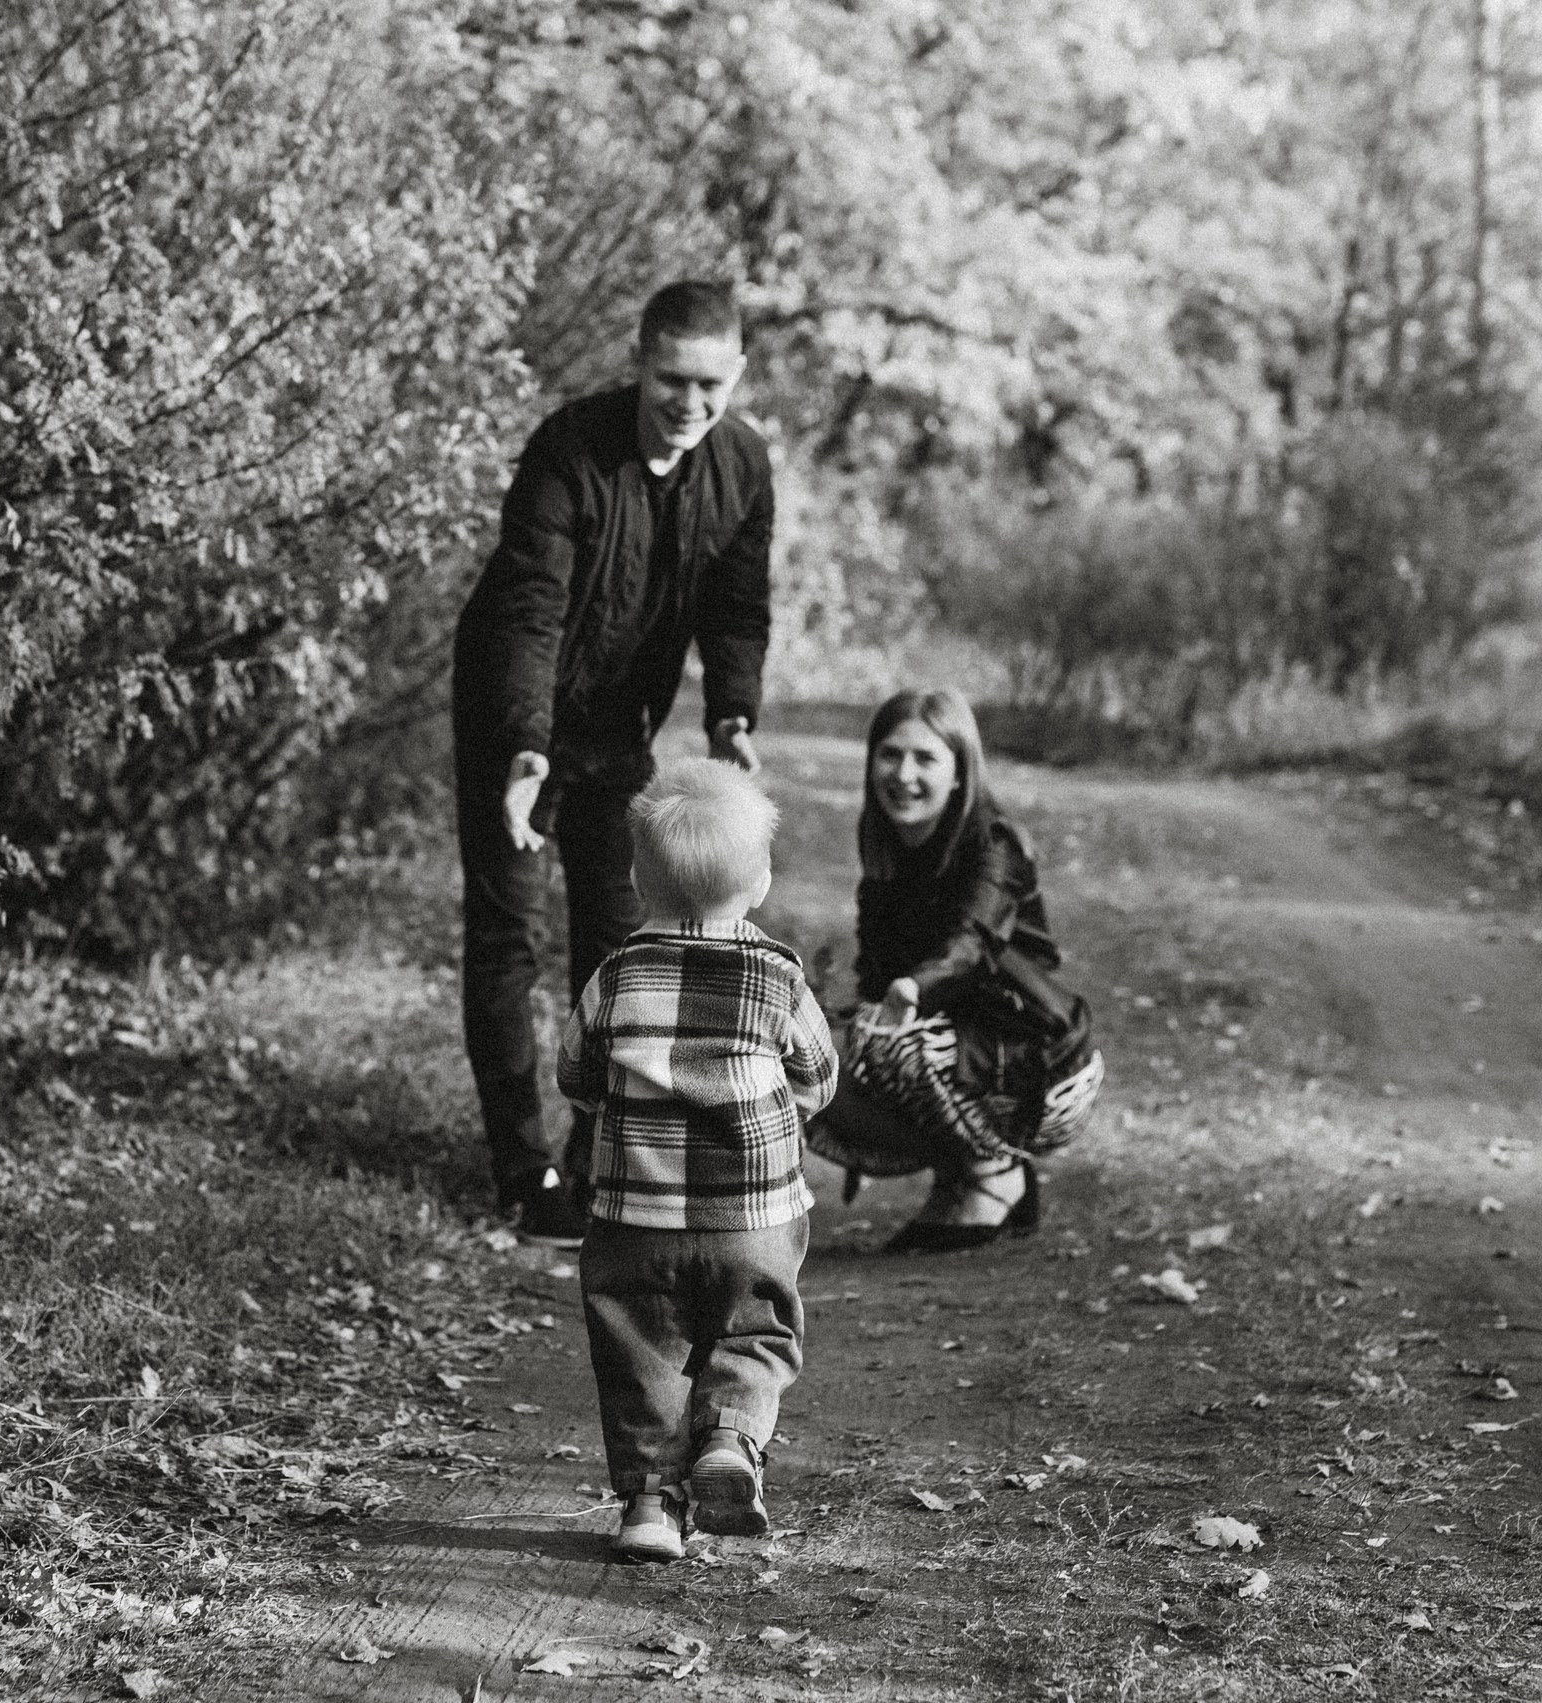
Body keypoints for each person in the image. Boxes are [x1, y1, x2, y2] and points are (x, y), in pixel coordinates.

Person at [451, 280, 774, 1245]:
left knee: (621, 936)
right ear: (639, 362)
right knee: (511, 935)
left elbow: (737, 607)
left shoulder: (743, 466)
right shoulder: (569, 449)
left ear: (737, 373)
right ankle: (524, 1170)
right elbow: (529, 608)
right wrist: (522, 747)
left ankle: (600, 1155)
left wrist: (733, 714)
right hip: (512, 719)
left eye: (710, 384)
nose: (689, 402)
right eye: (671, 378)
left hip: (619, 728)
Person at [555, 758, 836, 1563]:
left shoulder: (614, 976)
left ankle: (648, 1505)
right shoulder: (778, 978)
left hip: (634, 1218)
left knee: (642, 1347)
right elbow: (819, 1077)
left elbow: (575, 1075)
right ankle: (730, 1441)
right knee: (754, 1327)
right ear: (760, 882)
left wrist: (620, 1108)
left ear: (640, 882)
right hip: (752, 1217)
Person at [808, 688, 1102, 1253]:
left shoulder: (994, 844)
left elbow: (970, 945)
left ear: (961, 773)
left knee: (894, 1045)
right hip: (948, 1043)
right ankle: (962, 1173)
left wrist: (910, 989)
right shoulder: (889, 850)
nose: (903, 774)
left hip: (1033, 1056)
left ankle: (994, 1176)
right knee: (800, 1056)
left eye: (926, 758)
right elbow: (872, 975)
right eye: (890, 754)